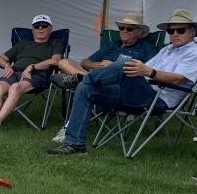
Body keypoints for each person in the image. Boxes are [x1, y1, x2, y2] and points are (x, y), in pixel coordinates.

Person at [47, 8, 197, 155]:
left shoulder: (194, 52)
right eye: (171, 31)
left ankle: (81, 77)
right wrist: (139, 71)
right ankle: (74, 144)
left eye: (181, 30)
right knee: (85, 88)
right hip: (135, 90)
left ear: (193, 31)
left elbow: (179, 78)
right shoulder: (167, 50)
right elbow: (88, 62)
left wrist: (148, 71)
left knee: (125, 62)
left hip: (157, 99)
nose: (175, 34)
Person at [49, 13, 158, 143]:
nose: (124, 31)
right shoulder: (113, 45)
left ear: (139, 32)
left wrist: (116, 67)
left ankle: (82, 81)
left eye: (129, 29)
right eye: (121, 28)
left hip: (121, 84)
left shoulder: (147, 49)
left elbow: (148, 71)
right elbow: (85, 62)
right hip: (98, 77)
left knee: (87, 84)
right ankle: (85, 78)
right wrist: (99, 64)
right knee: (63, 62)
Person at [0, 14, 64, 133]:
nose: (40, 29)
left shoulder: (56, 43)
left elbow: (56, 60)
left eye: (44, 26)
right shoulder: (23, 44)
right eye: (37, 26)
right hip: (15, 73)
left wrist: (32, 67)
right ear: (33, 29)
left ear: (50, 29)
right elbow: (0, 58)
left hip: (38, 75)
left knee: (15, 87)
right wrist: (7, 66)